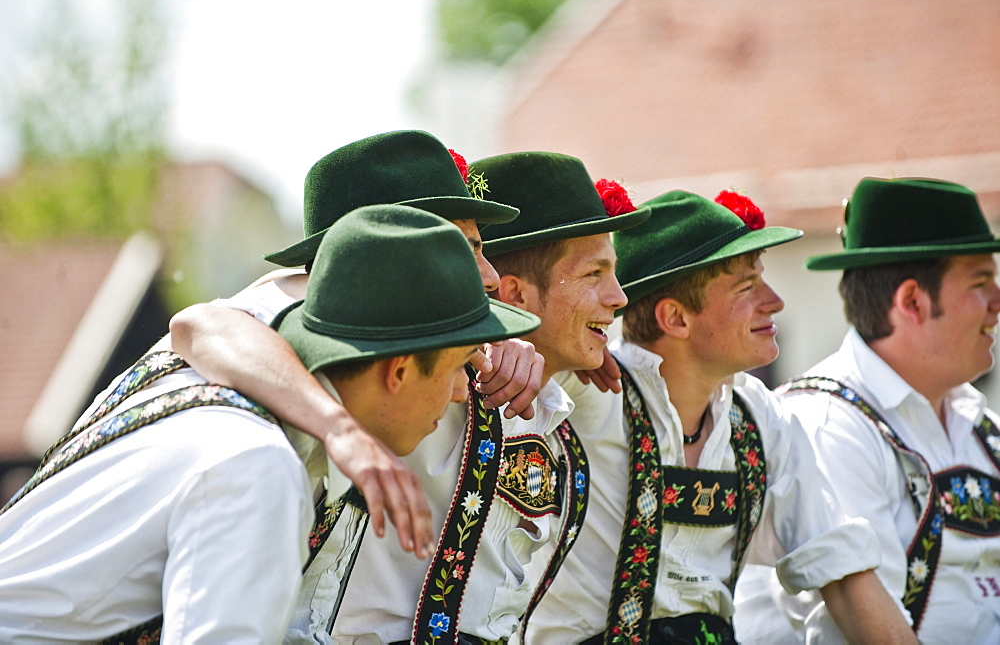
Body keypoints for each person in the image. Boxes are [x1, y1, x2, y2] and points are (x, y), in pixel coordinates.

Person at [0, 204, 539, 642]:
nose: (456, 396)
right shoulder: (258, 464)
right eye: (454, 370)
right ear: (397, 369)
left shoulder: (225, 404)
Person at [524, 189, 915, 644]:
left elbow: (841, 569)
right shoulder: (585, 392)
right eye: (747, 287)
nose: (774, 302)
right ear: (676, 318)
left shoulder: (760, 417)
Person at [167, 130, 544, 561]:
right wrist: (342, 432)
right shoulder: (285, 304)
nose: (492, 276)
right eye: (466, 249)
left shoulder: (369, 323)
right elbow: (195, 323)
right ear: (391, 249)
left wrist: (486, 344)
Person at [331, 151, 650, 642]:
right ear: (516, 294)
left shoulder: (573, 397)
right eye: (594, 275)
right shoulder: (421, 373)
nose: (619, 296)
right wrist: (474, 338)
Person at [736, 177, 1000, 644]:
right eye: (982, 283)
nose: (997, 304)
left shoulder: (978, 423)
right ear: (913, 301)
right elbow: (859, 630)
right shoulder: (823, 424)